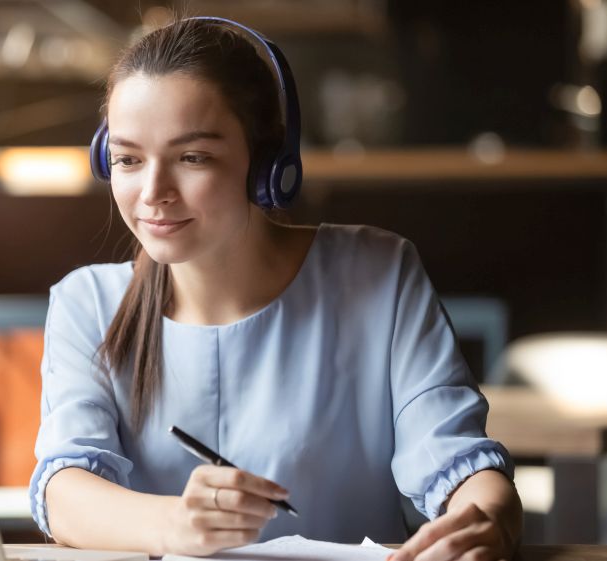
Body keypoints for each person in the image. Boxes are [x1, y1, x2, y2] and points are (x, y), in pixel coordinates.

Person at [29, 16, 522, 561]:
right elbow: (64, 489)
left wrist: (488, 524)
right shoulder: (87, 303)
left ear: (266, 164)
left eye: (193, 157)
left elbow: (458, 462)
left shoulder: (377, 273)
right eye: (128, 159)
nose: (153, 193)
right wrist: (176, 523)